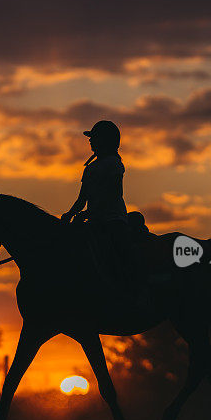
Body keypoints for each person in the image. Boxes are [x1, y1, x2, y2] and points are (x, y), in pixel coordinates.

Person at [61, 120, 149, 307]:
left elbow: (112, 194)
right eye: (91, 138)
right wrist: (69, 214)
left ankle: (137, 289)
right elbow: (81, 199)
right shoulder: (90, 168)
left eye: (94, 138)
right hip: (94, 220)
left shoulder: (113, 164)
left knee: (123, 251)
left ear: (106, 141)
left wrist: (89, 213)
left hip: (113, 219)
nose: (91, 142)